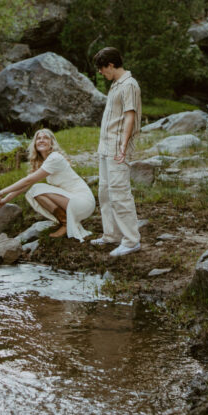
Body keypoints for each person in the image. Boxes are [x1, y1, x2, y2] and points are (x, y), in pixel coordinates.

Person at [0, 128, 95, 241]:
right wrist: (5, 200)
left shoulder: (55, 158)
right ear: (35, 144)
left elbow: (27, 181)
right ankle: (65, 221)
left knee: (36, 189)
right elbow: (25, 185)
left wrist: (1, 192)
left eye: (45, 138)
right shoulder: (45, 161)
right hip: (75, 202)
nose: (41, 140)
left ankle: (65, 224)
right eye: (38, 138)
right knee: (34, 189)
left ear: (52, 143)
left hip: (83, 202)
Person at [91, 46, 142, 257]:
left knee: (120, 193)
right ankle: (111, 234)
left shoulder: (129, 84)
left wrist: (123, 145)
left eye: (102, 69)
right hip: (106, 146)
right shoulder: (115, 85)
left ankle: (131, 240)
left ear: (111, 65)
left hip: (117, 147)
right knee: (105, 192)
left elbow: (130, 115)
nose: (101, 73)